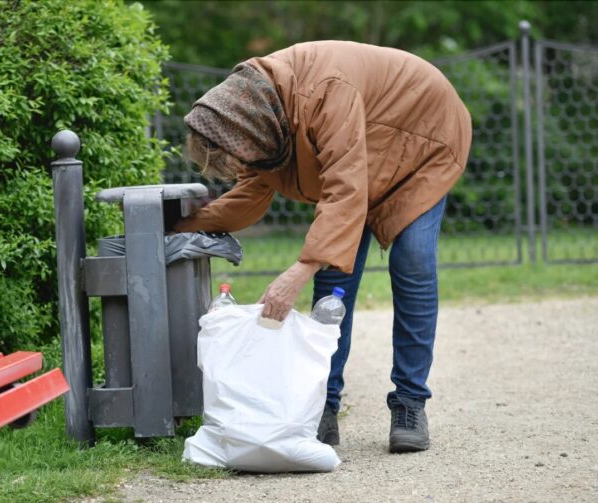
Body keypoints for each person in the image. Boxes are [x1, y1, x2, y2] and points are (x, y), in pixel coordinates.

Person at [174, 41, 472, 453]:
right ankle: (323, 407)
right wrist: (178, 226)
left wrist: (299, 269)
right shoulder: (266, 115)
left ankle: (409, 402)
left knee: (413, 262)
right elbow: (250, 193)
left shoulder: (326, 91)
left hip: (421, 139)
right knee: (335, 281)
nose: (240, 168)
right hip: (365, 148)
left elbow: (345, 190)